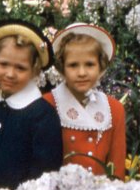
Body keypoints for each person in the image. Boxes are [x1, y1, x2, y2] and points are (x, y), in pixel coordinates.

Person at [0, 19, 63, 190]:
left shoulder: (42, 116)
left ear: (34, 70)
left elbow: (45, 179)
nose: (10, 74)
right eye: (3, 64)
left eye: (20, 68)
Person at [43, 23, 126, 178]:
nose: (82, 73)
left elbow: (117, 168)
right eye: (73, 65)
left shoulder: (114, 109)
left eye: (89, 64)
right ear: (62, 67)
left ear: (101, 67)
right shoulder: (47, 104)